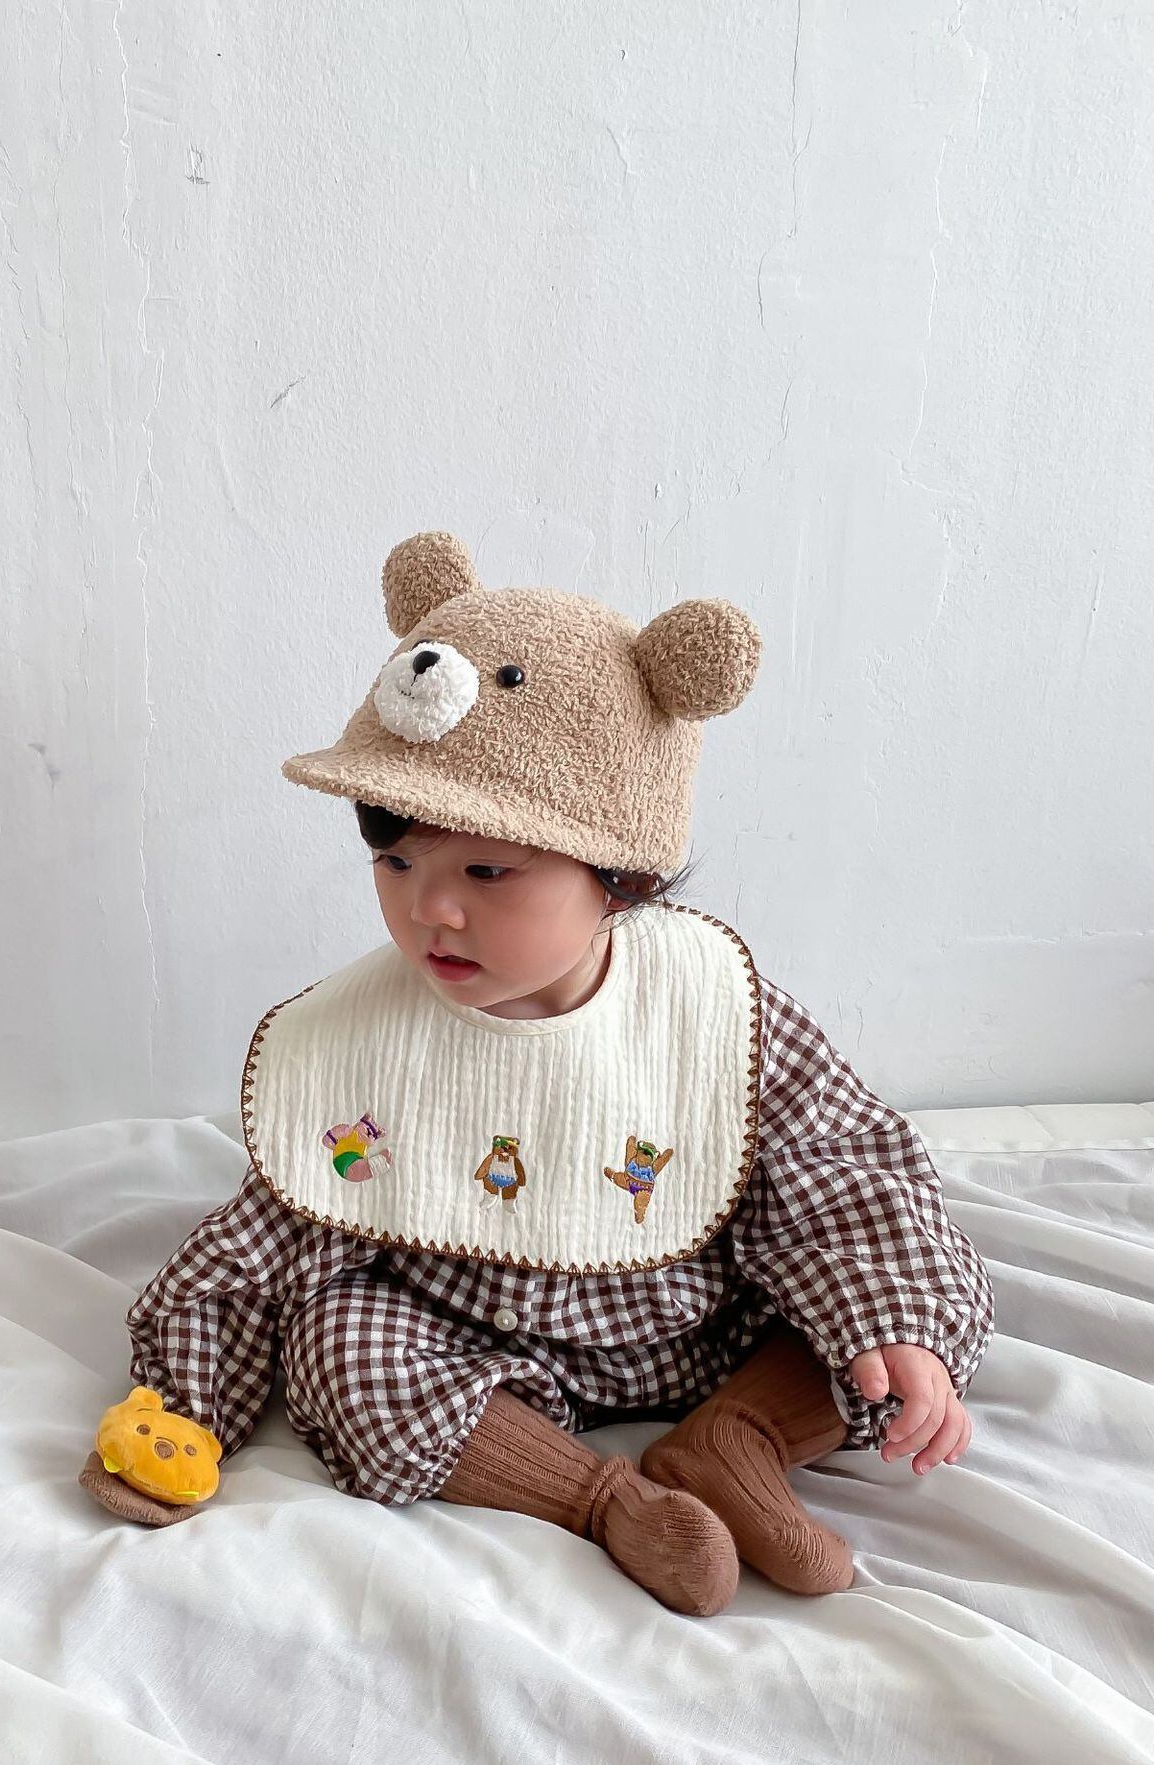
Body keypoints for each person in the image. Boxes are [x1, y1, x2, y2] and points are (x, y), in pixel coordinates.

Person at [81, 531, 993, 1618]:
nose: (430, 909)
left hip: (706, 1319)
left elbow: (839, 1166)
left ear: (623, 876)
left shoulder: (706, 1005)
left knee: (911, 1307)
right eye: (395, 860)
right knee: (334, 1344)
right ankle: (607, 1503)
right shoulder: (363, 1037)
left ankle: (738, 1441)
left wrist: (888, 1326)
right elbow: (264, 1244)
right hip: (474, 1340)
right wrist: (186, 1403)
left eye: (488, 869)